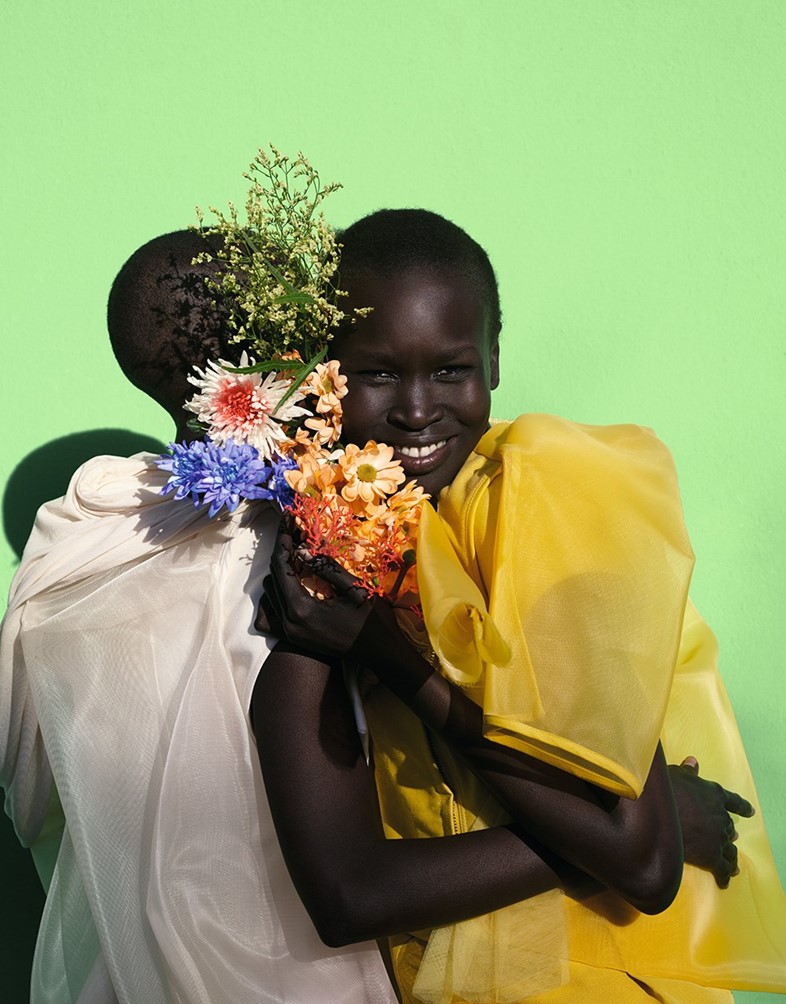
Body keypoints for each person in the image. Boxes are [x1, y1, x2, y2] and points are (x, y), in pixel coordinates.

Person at [253, 209, 786, 1003]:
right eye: (375, 374)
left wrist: (387, 654)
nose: (416, 409)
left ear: (494, 359)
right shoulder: (336, 538)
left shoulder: (542, 505)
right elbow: (351, 894)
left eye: (449, 370)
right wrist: (658, 814)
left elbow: (640, 865)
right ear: (323, 378)